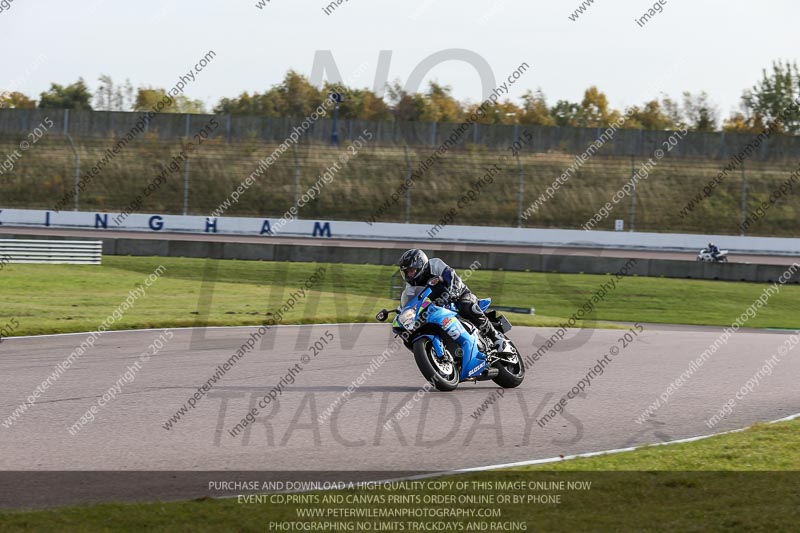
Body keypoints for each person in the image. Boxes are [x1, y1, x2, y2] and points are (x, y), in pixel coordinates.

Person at [397, 249, 510, 353]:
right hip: (437, 307)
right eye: (406, 272)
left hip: (458, 295)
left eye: (411, 270)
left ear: (421, 265)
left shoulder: (435, 264)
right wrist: (402, 312)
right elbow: (410, 303)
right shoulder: (411, 286)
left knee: (466, 306)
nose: (409, 275)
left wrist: (452, 291)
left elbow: (451, 276)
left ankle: (495, 337)